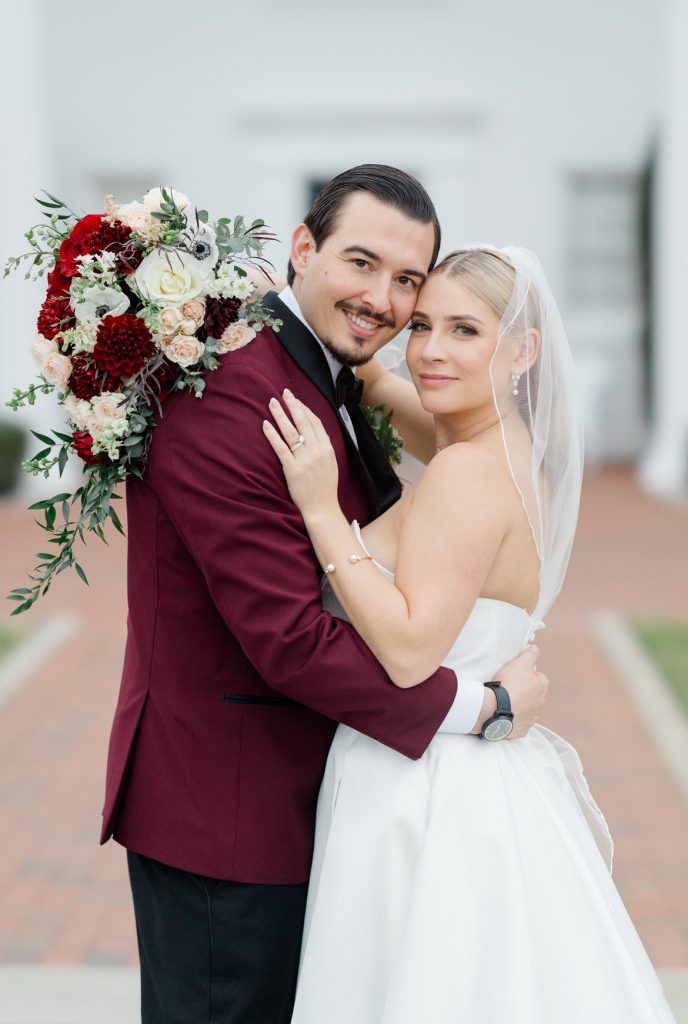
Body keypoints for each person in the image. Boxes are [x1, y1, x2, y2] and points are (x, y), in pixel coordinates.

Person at [100, 167, 547, 1024]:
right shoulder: (233, 399)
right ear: (302, 249)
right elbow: (290, 638)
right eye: (361, 262)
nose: (384, 299)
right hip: (225, 813)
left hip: (317, 798)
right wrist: (480, 705)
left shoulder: (329, 373)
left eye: (408, 281)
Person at [264, 246, 678, 1023]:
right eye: (421, 326)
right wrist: (282, 304)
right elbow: (379, 385)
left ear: (524, 350)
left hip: (422, 791)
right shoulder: (506, 449)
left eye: (464, 330)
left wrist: (324, 512)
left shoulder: (466, 472)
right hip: (477, 774)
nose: (431, 350)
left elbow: (412, 648)